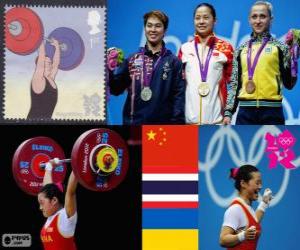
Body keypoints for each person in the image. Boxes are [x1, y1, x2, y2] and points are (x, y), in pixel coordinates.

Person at [223, 1, 297, 125]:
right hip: (245, 113)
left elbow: (289, 84)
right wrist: (228, 113)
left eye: (262, 16)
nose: (258, 21)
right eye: (254, 17)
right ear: (249, 20)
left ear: (271, 19)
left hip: (272, 112)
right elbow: (235, 84)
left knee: (272, 145)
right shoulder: (241, 50)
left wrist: (293, 58)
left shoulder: (281, 48)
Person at [107, 10, 185, 125]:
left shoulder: (174, 63)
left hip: (162, 130)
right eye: (149, 25)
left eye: (158, 26)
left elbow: (179, 100)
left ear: (165, 31)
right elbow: (115, 89)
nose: (153, 30)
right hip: (134, 125)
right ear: (145, 29)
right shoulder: (131, 60)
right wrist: (108, 70)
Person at [178, 3, 234, 124]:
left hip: (217, 122)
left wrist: (228, 113)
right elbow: (178, 87)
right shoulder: (185, 49)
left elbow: (234, 85)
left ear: (215, 21)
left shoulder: (226, 48)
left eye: (206, 17)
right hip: (188, 123)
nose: (201, 21)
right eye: (198, 18)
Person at [219, 165, 273, 249]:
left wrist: (264, 203)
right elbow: (223, 240)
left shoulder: (247, 207)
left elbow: (254, 222)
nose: (260, 187)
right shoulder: (235, 209)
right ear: (243, 183)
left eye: (261, 183)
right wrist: (243, 235)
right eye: (257, 183)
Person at [38, 159, 78, 250]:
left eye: (41, 203)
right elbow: (46, 189)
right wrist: (49, 167)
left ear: (54, 200)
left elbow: (70, 192)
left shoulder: (65, 217)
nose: (40, 207)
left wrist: (78, 164)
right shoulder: (51, 217)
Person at [27, 39, 60, 119]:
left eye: (50, 63)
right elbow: (41, 58)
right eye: (48, 63)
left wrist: (57, 47)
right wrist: (40, 41)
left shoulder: (50, 78)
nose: (50, 65)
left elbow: (56, 64)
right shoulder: (38, 80)